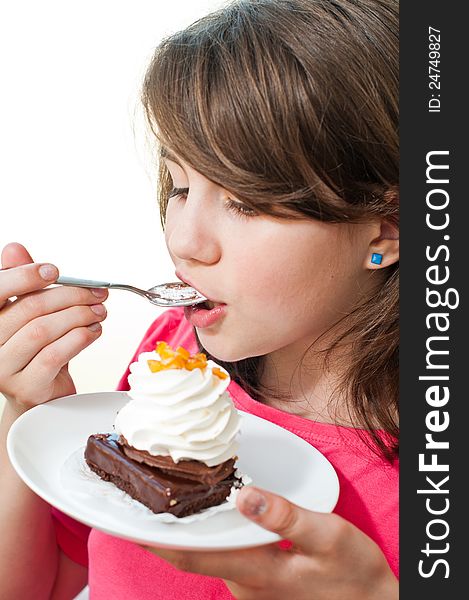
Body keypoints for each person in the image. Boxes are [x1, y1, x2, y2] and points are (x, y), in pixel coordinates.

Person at [0, 0, 399, 598]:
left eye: (244, 200)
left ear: (385, 231)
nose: (184, 243)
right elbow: (44, 585)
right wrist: (30, 411)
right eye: (180, 186)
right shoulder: (177, 358)